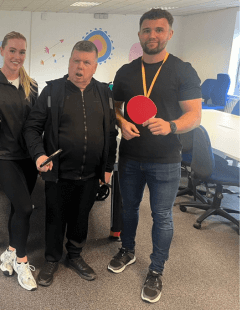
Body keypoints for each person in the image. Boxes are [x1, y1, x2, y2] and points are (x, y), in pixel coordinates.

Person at [106, 9, 202, 303]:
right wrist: (122, 122)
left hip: (166, 160)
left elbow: (195, 116)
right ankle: (127, 250)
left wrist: (171, 125)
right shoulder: (126, 71)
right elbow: (115, 108)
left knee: (162, 216)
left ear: (169, 34)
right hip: (132, 156)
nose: (153, 35)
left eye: (159, 30)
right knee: (128, 210)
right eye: (147, 30)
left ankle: (156, 270)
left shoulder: (183, 70)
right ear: (139, 35)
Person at [23, 40, 118, 287]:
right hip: (58, 172)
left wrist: (107, 167)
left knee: (81, 217)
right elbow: (32, 127)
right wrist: (39, 155)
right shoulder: (52, 92)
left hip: (90, 173)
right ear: (69, 62)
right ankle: (52, 259)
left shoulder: (104, 93)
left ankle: (75, 256)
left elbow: (110, 134)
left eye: (86, 63)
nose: (80, 67)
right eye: (76, 61)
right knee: (55, 217)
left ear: (95, 67)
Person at [0, 31, 38, 291]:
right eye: (12, 50)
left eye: (22, 52)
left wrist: (41, 153)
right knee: (26, 207)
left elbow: (36, 125)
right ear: (2, 50)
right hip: (3, 154)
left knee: (17, 207)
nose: (17, 56)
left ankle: (10, 252)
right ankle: (22, 262)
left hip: (28, 156)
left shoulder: (32, 85)